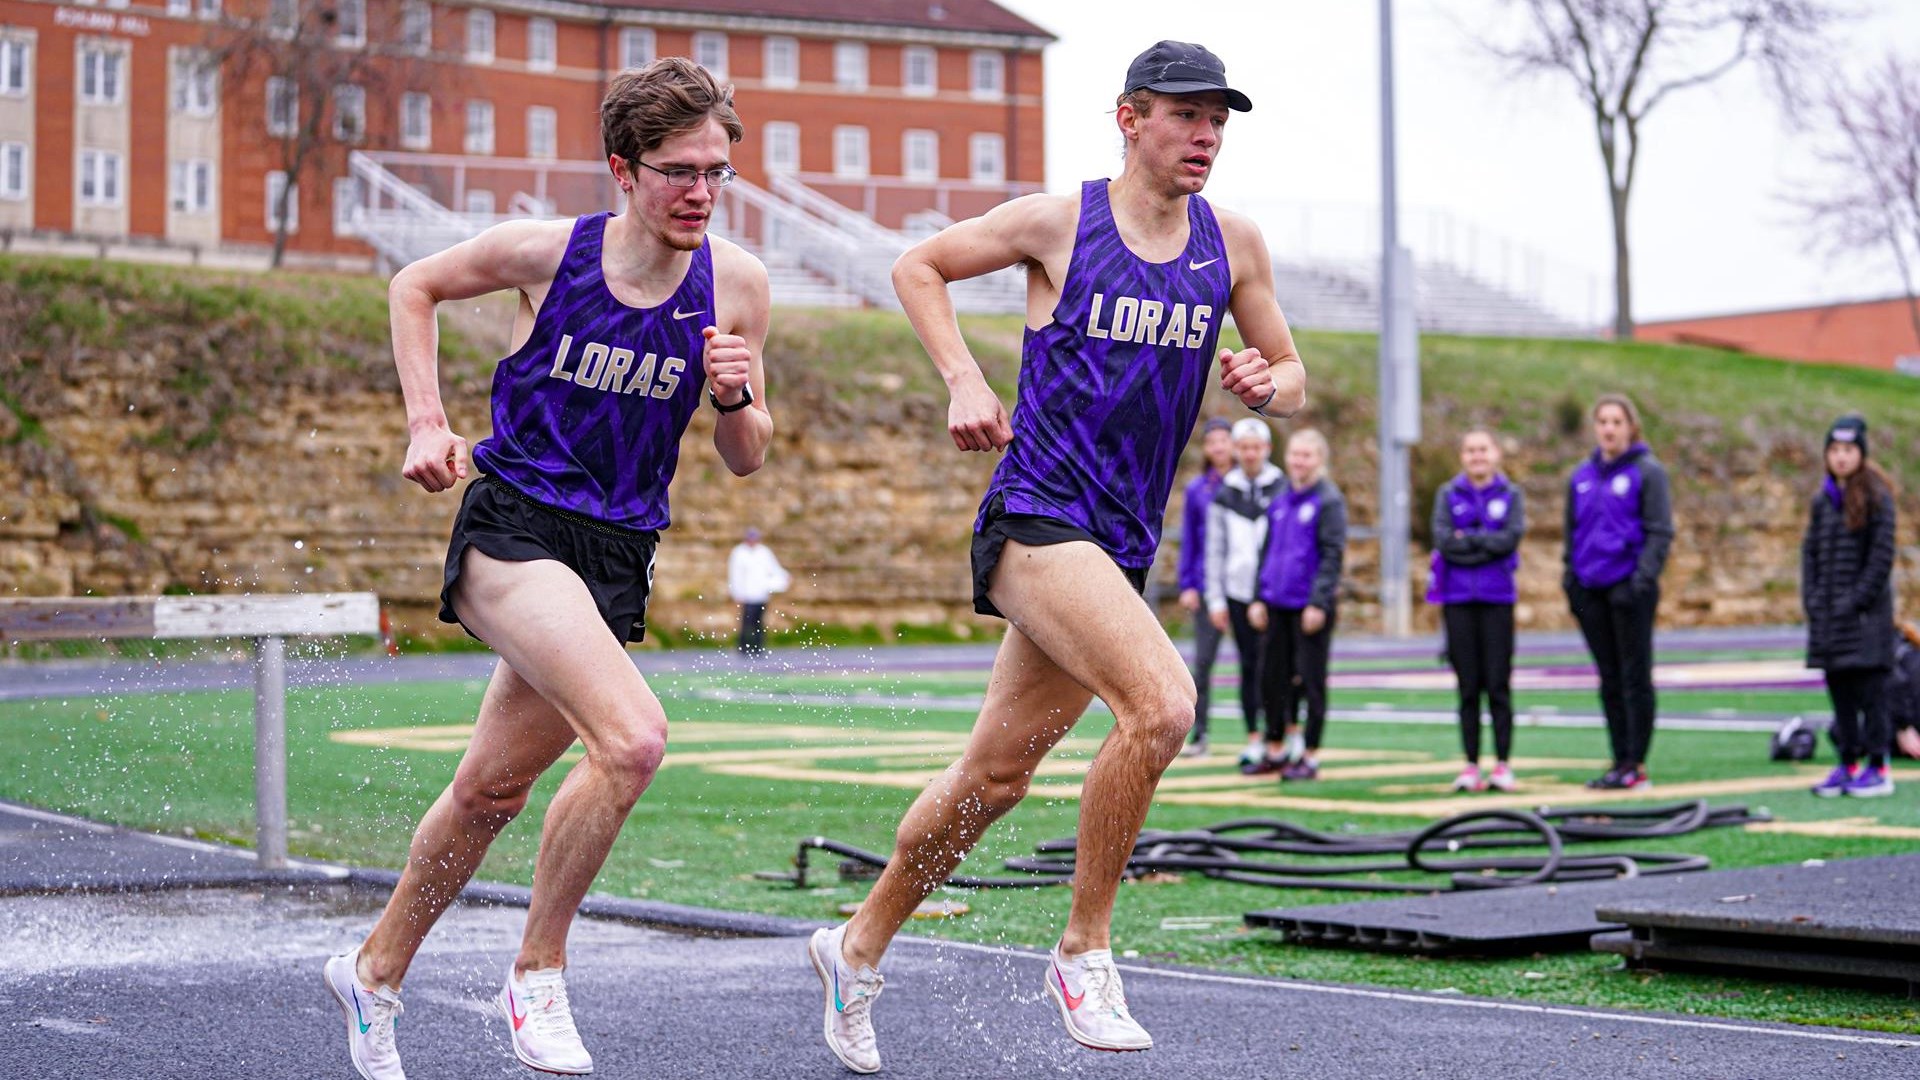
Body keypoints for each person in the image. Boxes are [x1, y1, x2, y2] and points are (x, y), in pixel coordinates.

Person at [807, 40, 1304, 1073]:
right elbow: (919, 264)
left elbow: (1293, 372)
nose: (1206, 135)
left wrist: (1266, 381)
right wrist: (962, 379)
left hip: (1117, 542)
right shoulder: (1061, 221)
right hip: (1037, 516)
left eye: (1220, 119)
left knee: (994, 777)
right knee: (1164, 707)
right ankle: (1083, 951)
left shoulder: (1235, 243)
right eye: (1186, 115)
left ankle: (855, 948)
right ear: (1130, 117)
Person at [322, 58, 772, 1080]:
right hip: (514, 527)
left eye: (716, 172)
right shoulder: (548, 253)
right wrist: (427, 422)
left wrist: (739, 399)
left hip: (616, 552)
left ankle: (374, 971)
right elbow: (414, 285)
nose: (700, 192)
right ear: (624, 168)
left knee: (489, 792)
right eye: (677, 172)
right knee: (633, 741)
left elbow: (745, 460)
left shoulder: (736, 285)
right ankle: (538, 972)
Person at [1563, 393, 1672, 791]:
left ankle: (1636, 762)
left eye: (1616, 421)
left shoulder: (1648, 472)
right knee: (1608, 677)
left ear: (1630, 427)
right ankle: (1617, 757)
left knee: (1635, 675)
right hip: (1591, 589)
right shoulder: (1581, 476)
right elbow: (1571, 532)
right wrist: (1571, 581)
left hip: (1630, 589)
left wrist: (1639, 582)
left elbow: (1660, 532)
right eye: (1602, 421)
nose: (1609, 428)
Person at [1802, 414, 1898, 798]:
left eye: (1849, 450)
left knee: (1871, 694)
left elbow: (1881, 557)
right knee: (1839, 691)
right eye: (1835, 450)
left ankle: (1878, 766)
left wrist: (1856, 600)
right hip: (1828, 621)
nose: (1841, 458)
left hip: (1865, 620)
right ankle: (1848, 761)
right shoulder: (1822, 500)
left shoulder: (1877, 496)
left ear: (1861, 454)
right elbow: (1810, 553)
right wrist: (1813, 601)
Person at [1247, 429, 1345, 780]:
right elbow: (1267, 551)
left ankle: (1310, 754)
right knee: (1271, 679)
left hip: (1308, 608)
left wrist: (1318, 603)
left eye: (1307, 455)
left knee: (1310, 681)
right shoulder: (1281, 498)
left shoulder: (1328, 500)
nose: (1299, 461)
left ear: (1319, 460)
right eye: (1295, 454)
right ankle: (1275, 748)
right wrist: (1258, 595)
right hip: (1276, 603)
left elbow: (1332, 555)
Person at [1429, 430, 1524, 793]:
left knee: (1498, 684)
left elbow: (1509, 539)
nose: (1477, 456)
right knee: (1467, 686)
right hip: (1457, 601)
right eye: (1470, 450)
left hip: (1497, 598)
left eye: (1483, 449)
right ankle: (1470, 764)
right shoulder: (1448, 494)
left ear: (1496, 453)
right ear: (1462, 456)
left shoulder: (1510, 494)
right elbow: (1443, 542)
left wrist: (1467, 540)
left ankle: (1502, 763)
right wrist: (1485, 541)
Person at [1205, 416, 1284, 767]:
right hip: (1237, 590)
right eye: (1244, 447)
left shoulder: (1281, 486)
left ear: (1266, 449)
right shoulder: (1226, 491)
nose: (1250, 454)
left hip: (1274, 592)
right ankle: (1254, 736)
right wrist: (1216, 597)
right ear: (1237, 451)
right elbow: (1215, 549)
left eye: (1256, 447)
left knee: (1280, 666)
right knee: (1249, 666)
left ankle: (1280, 735)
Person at [1177, 417, 1235, 757]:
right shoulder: (1199, 489)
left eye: (1223, 441)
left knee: (1259, 664)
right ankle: (1200, 735)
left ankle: (1263, 736)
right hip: (1206, 583)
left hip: (1246, 586)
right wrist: (1188, 584)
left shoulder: (1249, 484)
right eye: (1212, 442)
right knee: (1202, 664)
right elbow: (1190, 540)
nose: (1218, 448)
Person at [728, 526, 790, 655]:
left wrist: (785, 577)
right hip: (746, 594)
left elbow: (774, 569)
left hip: (761, 594)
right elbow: (735, 575)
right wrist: (737, 593)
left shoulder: (764, 552)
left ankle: (758, 647)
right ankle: (743, 647)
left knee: (759, 622)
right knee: (746, 622)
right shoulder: (739, 552)